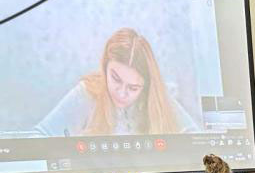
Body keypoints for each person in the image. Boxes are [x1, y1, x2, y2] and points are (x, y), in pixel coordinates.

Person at [35, 27, 199, 137]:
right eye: (115, 79)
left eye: (133, 88)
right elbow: (39, 136)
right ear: (105, 66)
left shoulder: (157, 96)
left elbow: (196, 141)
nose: (121, 93)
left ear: (146, 86)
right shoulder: (87, 93)